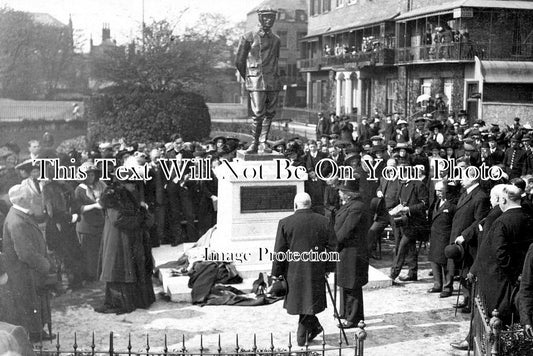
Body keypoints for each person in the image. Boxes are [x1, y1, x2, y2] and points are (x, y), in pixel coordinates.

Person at [271, 192, 336, 347]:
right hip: (315, 268)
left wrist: (276, 273)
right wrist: (327, 267)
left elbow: (279, 251)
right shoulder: (324, 221)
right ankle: (313, 327)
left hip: (294, 270)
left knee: (303, 299)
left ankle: (304, 334)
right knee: (308, 298)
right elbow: (333, 247)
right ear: (310, 204)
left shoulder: (285, 222)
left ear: (295, 205)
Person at [1, 184, 53, 341]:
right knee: (30, 304)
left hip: (29, 270)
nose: (33, 200)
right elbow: (25, 253)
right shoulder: (17, 221)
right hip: (24, 271)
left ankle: (38, 331)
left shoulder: (20, 214)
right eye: (30, 197)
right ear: (23, 200)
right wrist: (46, 265)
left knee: (36, 302)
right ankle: (34, 336)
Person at [95, 178, 155, 314]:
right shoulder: (114, 196)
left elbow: (138, 212)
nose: (133, 185)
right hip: (118, 239)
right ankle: (119, 302)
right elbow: (118, 219)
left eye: (134, 182)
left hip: (129, 238)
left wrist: (144, 216)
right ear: (122, 183)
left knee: (131, 268)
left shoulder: (130, 194)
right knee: (119, 269)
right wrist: (141, 219)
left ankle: (137, 300)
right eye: (130, 182)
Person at [235, 6, 281, 154]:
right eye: (266, 17)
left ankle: (263, 142)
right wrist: (249, 78)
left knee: (270, 113)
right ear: (260, 18)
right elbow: (239, 61)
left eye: (271, 17)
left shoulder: (276, 39)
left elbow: (276, 59)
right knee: (258, 113)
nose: (269, 20)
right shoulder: (248, 36)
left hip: (272, 80)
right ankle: (254, 143)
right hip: (256, 80)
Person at [335, 177, 371, 329]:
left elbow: (345, 231)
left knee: (352, 286)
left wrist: (333, 244)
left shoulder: (356, 208)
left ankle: (353, 318)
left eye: (341, 191)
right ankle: (347, 313)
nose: (339, 193)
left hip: (352, 252)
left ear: (348, 194)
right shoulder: (350, 205)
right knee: (347, 284)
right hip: (347, 252)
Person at [389, 163, 429, 282]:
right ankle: (413, 273)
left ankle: (393, 273)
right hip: (404, 221)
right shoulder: (402, 185)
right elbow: (400, 201)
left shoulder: (418, 184)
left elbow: (425, 204)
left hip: (416, 222)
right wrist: (395, 209)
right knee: (411, 247)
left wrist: (409, 209)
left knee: (402, 246)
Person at [74, 162, 106, 282]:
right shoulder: (79, 190)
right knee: (89, 253)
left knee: (99, 251)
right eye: (87, 175)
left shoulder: (101, 186)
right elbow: (77, 208)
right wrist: (95, 206)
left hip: (100, 223)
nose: (90, 177)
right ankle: (91, 276)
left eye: (92, 175)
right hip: (86, 225)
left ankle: (99, 274)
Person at [427, 181, 456, 297]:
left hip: (445, 237)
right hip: (434, 236)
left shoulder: (451, 205)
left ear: (446, 190)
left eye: (440, 190)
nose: (438, 193)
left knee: (446, 263)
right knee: (434, 260)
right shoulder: (436, 203)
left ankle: (447, 287)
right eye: (437, 190)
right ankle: (437, 284)